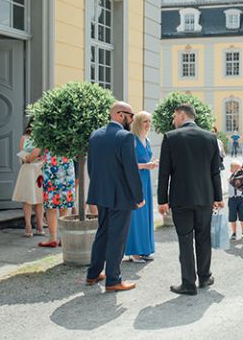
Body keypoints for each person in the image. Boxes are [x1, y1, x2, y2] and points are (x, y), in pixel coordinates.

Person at [158, 103, 224, 296]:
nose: (172, 120)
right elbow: (215, 172)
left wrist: (162, 200)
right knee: (203, 237)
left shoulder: (171, 137)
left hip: (181, 198)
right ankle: (204, 277)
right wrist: (218, 197)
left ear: (181, 115)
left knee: (185, 239)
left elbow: (164, 173)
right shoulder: (210, 138)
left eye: (174, 116)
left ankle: (188, 283)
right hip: (205, 197)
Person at [85, 102, 144, 292]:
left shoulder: (95, 135)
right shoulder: (125, 137)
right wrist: (138, 196)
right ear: (120, 115)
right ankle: (113, 280)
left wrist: (97, 188)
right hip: (121, 196)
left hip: (101, 193)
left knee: (103, 232)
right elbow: (131, 170)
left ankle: (93, 274)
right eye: (131, 115)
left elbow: (91, 167)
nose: (132, 119)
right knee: (117, 237)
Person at [125, 111, 158, 263]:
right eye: (145, 121)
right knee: (136, 215)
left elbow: (146, 159)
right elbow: (127, 164)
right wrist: (146, 165)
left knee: (145, 214)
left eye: (149, 121)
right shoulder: (131, 139)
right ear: (138, 122)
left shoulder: (147, 140)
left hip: (145, 179)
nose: (148, 124)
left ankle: (145, 249)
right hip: (135, 180)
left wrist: (152, 163)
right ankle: (133, 251)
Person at [12, 117, 44, 237]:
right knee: (28, 198)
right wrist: (31, 157)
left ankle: (39, 224)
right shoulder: (24, 138)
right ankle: (28, 224)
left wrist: (41, 157)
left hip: (40, 169)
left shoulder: (43, 138)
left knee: (40, 198)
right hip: (28, 169)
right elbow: (22, 155)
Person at [37, 150, 75, 248]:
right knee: (64, 203)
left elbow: (40, 145)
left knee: (51, 206)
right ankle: (63, 238)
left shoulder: (45, 134)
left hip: (51, 164)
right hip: (66, 163)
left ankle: (53, 238)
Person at [227, 161, 243, 240]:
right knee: (232, 217)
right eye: (235, 169)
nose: (237, 171)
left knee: (242, 217)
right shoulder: (230, 178)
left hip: (241, 198)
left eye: (239, 169)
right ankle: (234, 232)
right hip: (232, 199)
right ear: (231, 170)